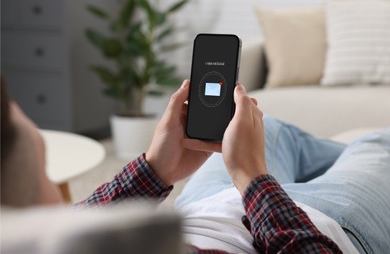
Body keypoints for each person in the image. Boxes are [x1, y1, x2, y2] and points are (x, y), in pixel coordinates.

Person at [1, 77, 389, 253]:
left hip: (206, 207)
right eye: (42, 155)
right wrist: (253, 177)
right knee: (376, 141)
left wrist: (155, 169)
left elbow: (76, 228)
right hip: (322, 224)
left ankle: (340, 159)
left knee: (268, 126)